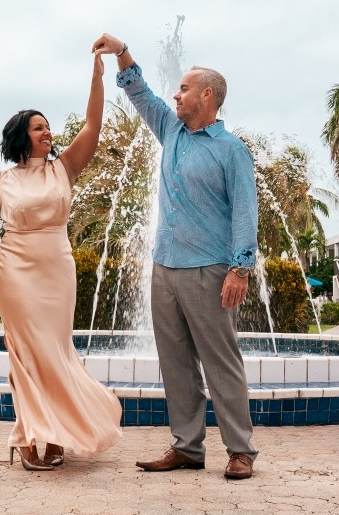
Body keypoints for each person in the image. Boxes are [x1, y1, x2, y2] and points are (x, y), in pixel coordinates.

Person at [92, 32, 259, 480]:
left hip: (210, 270)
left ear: (207, 95)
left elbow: (245, 212)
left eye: (184, 89)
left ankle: (240, 450)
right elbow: (140, 94)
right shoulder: (171, 130)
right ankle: (187, 447)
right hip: (164, 268)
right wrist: (122, 52)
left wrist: (241, 268)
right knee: (176, 364)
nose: (175, 94)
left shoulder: (231, 150)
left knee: (221, 362)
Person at [0, 53, 122, 471]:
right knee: (25, 354)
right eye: (39, 127)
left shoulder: (64, 168)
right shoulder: (1, 181)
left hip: (56, 268)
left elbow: (92, 127)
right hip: (16, 270)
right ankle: (29, 434)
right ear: (22, 136)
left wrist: (96, 77)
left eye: (47, 126)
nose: (48, 132)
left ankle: (57, 430)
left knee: (55, 352)